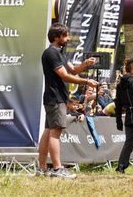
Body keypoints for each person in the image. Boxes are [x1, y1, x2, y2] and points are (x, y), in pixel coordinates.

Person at [38, 23, 98, 179]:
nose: (68, 38)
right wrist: (86, 82)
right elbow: (64, 75)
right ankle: (58, 169)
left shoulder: (59, 53)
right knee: (55, 132)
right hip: (55, 97)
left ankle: (42, 168)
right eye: (65, 36)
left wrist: (85, 64)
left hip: (55, 98)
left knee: (48, 132)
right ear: (56, 37)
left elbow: (72, 71)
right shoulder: (51, 53)